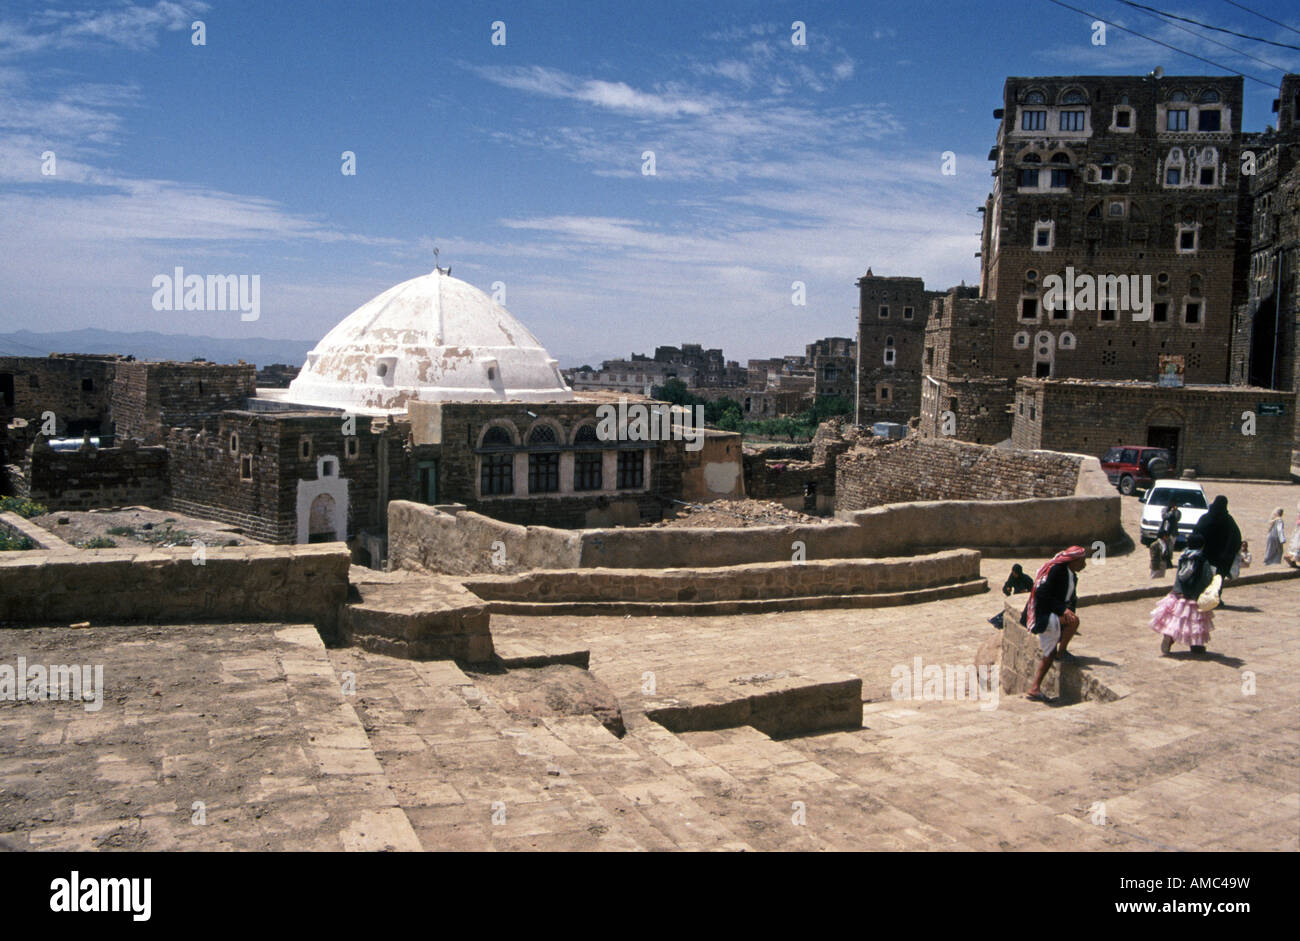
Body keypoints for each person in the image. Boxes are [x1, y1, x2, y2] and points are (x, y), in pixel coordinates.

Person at [1021, 546, 1087, 702]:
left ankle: (1036, 686)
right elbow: (1041, 593)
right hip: (1044, 614)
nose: (1084, 565)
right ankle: (1036, 686)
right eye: (1082, 561)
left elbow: (1071, 599)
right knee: (1050, 653)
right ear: (1074, 561)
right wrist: (1062, 610)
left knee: (1070, 625)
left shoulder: (1072, 576)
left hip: (1054, 614)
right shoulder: (1057, 571)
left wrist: (1067, 611)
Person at [1150, 533, 1216, 655]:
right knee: (1195, 623)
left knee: (1177, 620)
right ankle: (1196, 646)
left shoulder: (1183, 557)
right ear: (1202, 546)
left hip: (1179, 593)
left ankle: (1169, 637)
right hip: (1195, 596)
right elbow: (1207, 578)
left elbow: (1179, 576)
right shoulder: (1202, 560)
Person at [1193, 495, 1241, 603]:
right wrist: (1230, 553)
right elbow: (1236, 538)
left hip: (1205, 554)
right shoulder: (1228, 521)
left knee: (1204, 576)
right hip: (1222, 558)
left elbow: (1196, 533)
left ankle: (1201, 596)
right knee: (1218, 580)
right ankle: (1214, 598)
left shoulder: (1206, 518)